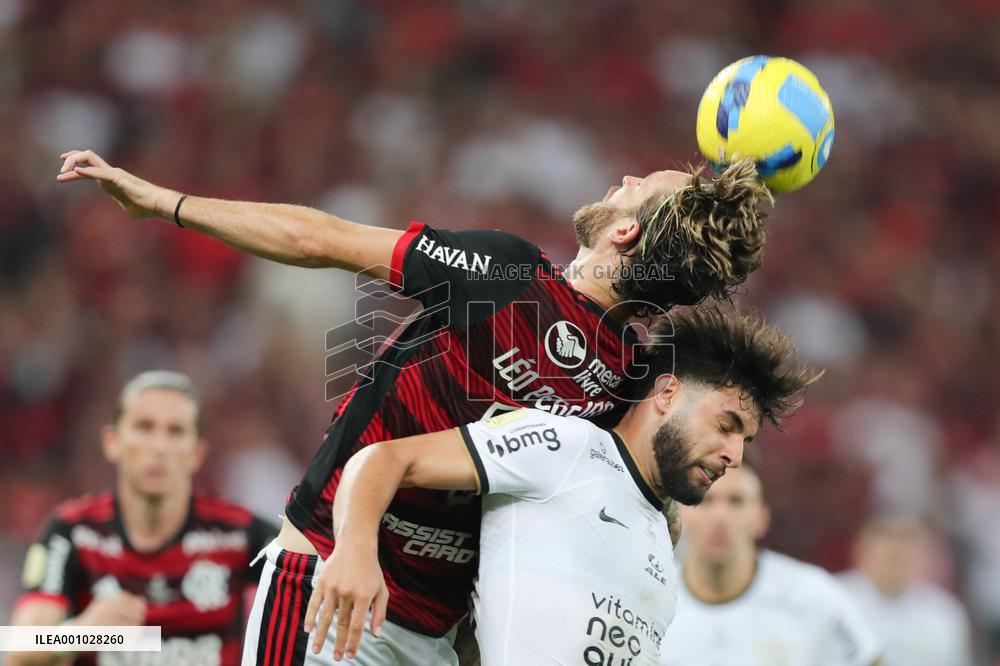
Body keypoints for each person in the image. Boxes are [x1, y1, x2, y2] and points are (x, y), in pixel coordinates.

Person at [57, 148, 772, 666]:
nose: (623, 179)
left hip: (426, 628)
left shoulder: (510, 273)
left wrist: (161, 202)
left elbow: (319, 239)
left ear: (625, 233)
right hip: (336, 583)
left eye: (638, 185)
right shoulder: (633, 384)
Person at [304, 308, 817, 664]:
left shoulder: (666, 530)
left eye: (745, 439)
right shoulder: (562, 445)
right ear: (666, 393)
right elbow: (382, 458)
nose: (736, 455)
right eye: (726, 425)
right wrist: (354, 550)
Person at [8, 371, 278, 666]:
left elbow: (312, 588)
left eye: (175, 431)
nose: (159, 447)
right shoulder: (73, 531)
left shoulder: (238, 533)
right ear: (112, 441)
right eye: (144, 427)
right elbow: (20, 649)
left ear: (197, 453)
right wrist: (84, 633)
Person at [660, 463, 882, 666]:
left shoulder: (814, 596)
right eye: (705, 501)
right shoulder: (651, 597)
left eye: (736, 501)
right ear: (682, 514)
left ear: (761, 518)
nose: (720, 516)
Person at [839, 516, 974, 666]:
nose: (896, 548)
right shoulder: (834, 600)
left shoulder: (945, 614)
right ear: (861, 550)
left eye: (907, 540)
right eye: (885, 538)